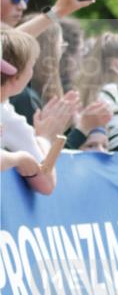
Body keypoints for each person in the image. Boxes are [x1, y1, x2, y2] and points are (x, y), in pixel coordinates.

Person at [0, 28, 57, 194]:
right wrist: (44, 138)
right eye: (32, 65)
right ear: (16, 78)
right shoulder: (9, 119)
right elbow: (46, 183)